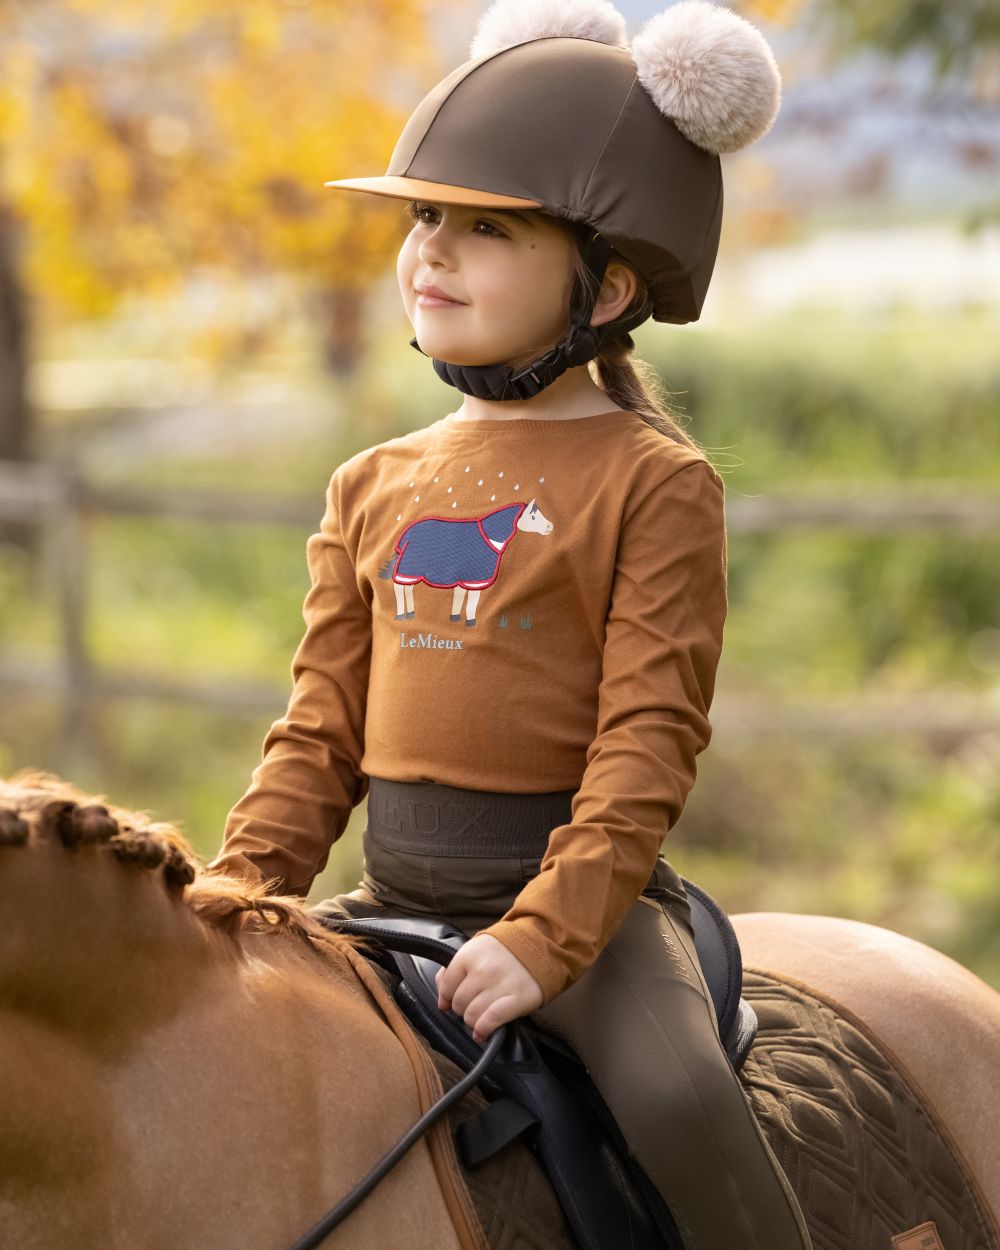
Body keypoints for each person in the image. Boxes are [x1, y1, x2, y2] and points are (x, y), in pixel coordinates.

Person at [208, 2, 813, 1246]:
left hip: (582, 922)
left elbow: (646, 743)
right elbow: (317, 733)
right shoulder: (371, 481)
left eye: (485, 228)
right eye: (423, 217)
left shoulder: (656, 483)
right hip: (386, 896)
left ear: (611, 283)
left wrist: (546, 938)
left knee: (676, 1094)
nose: (429, 250)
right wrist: (238, 894)